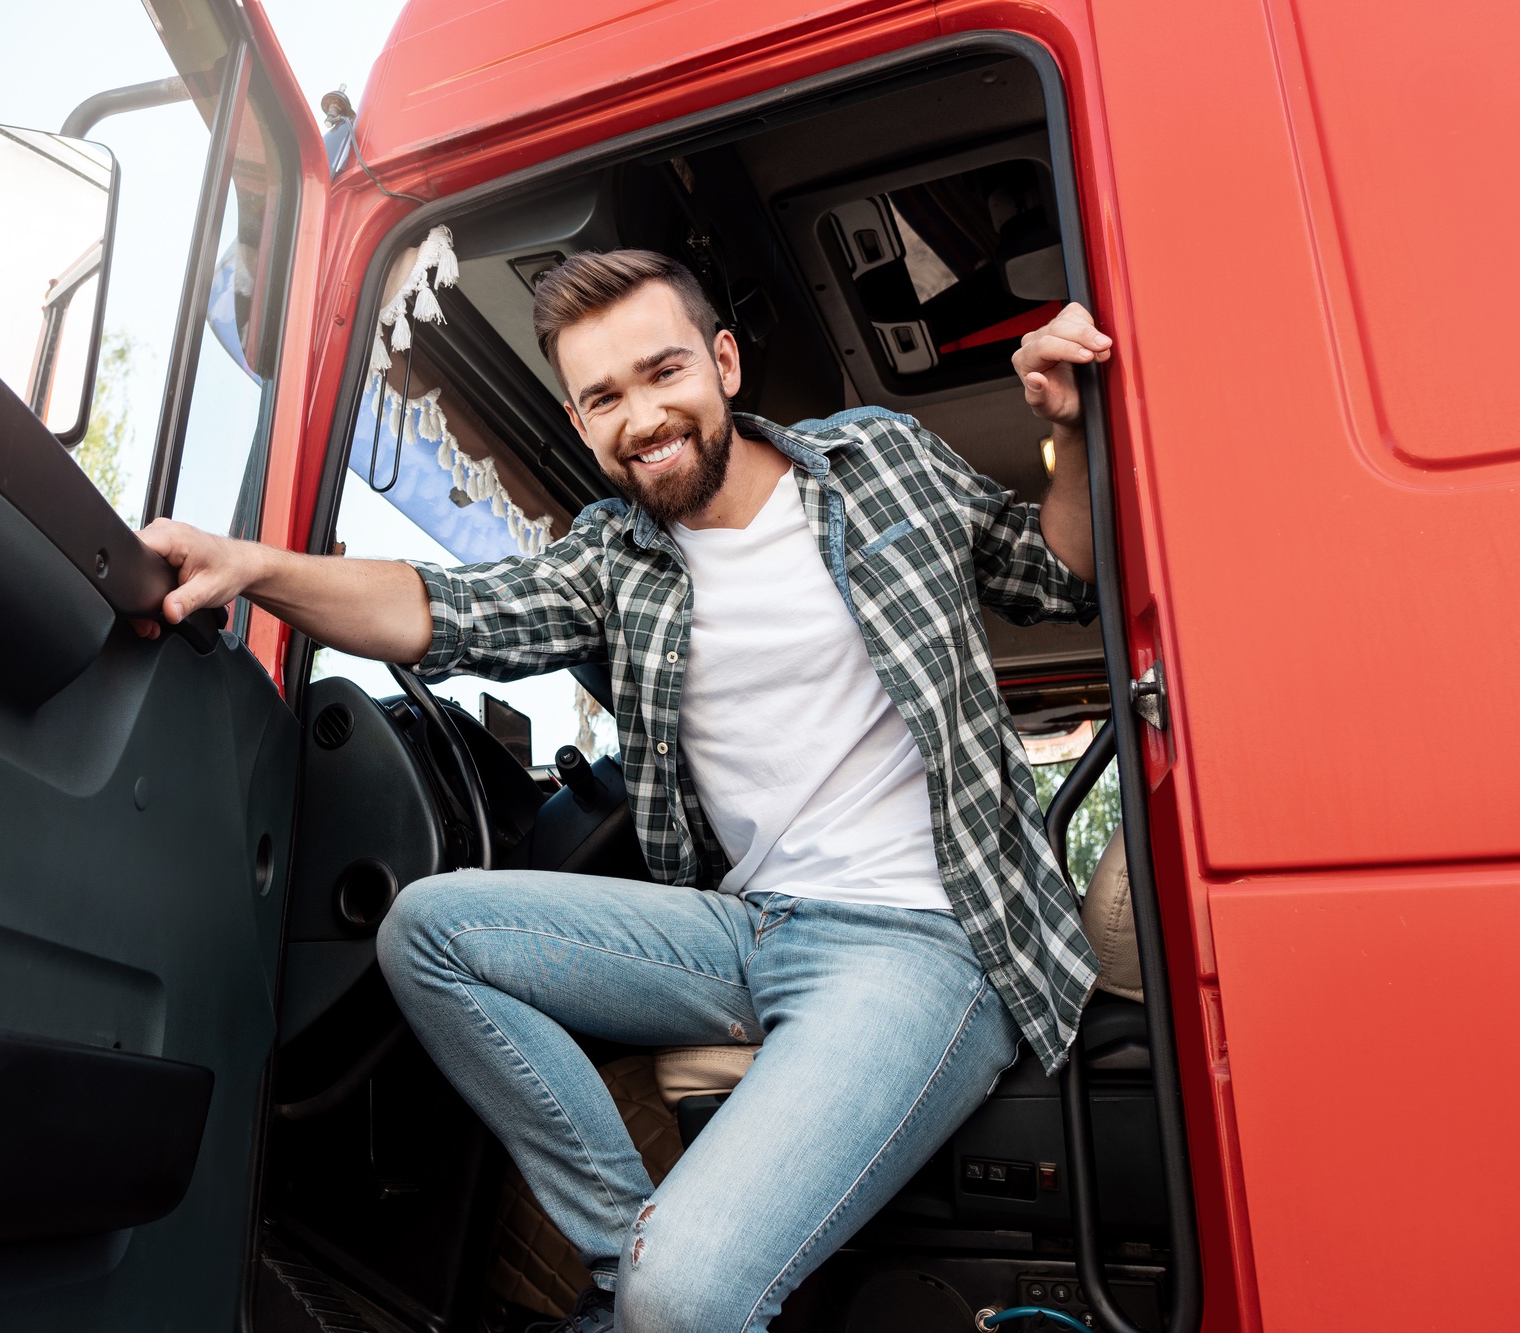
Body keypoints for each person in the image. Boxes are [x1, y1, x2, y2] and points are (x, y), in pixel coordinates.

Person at [137, 250, 1112, 1333]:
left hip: (928, 940)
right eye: (605, 397)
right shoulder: (612, 559)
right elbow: (437, 610)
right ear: (578, 417)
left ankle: (658, 1295)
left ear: (723, 364)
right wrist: (252, 568)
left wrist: (1066, 429)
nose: (643, 417)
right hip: (749, 927)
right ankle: (625, 1252)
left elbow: (1054, 569)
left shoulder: (876, 460)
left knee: (688, 1294)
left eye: (663, 374)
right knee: (429, 930)